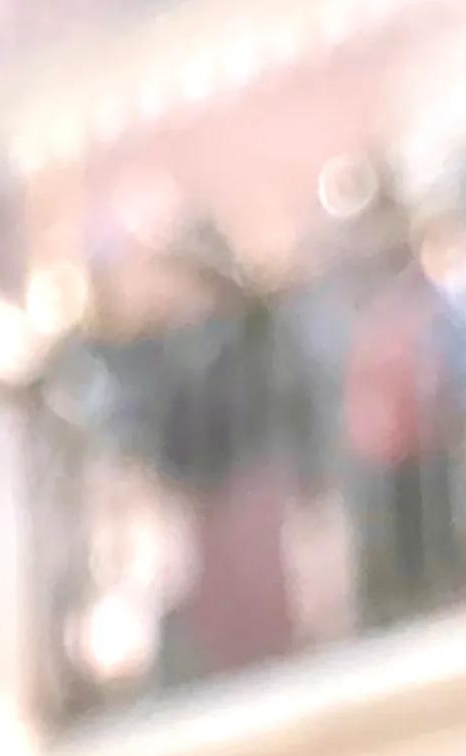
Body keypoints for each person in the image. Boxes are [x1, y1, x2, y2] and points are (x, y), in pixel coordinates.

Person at [101, 217, 325, 685]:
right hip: (206, 491)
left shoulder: (251, 331)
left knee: (261, 596)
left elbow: (281, 402)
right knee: (221, 612)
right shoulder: (168, 346)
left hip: (251, 474)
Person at [338, 194, 466, 629]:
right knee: (398, 556)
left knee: (438, 551)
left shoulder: (425, 301)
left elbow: (453, 364)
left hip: (424, 441)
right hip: (385, 451)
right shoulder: (360, 306)